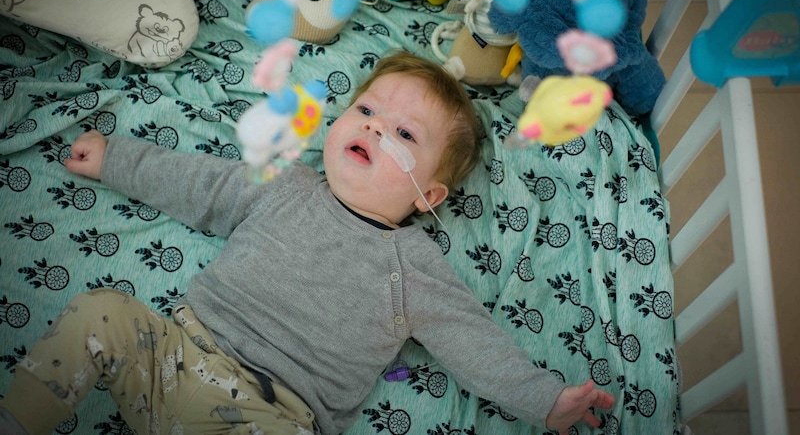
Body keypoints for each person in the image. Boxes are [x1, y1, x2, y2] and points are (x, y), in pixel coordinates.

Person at [0, 52, 614, 435]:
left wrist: (544, 399)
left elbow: (472, 341)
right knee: (98, 312)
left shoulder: (413, 266)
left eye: (403, 132)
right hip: (173, 355)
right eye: (367, 110)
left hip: (272, 415)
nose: (374, 127)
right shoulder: (285, 187)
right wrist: (116, 160)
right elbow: (198, 185)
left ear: (429, 194)